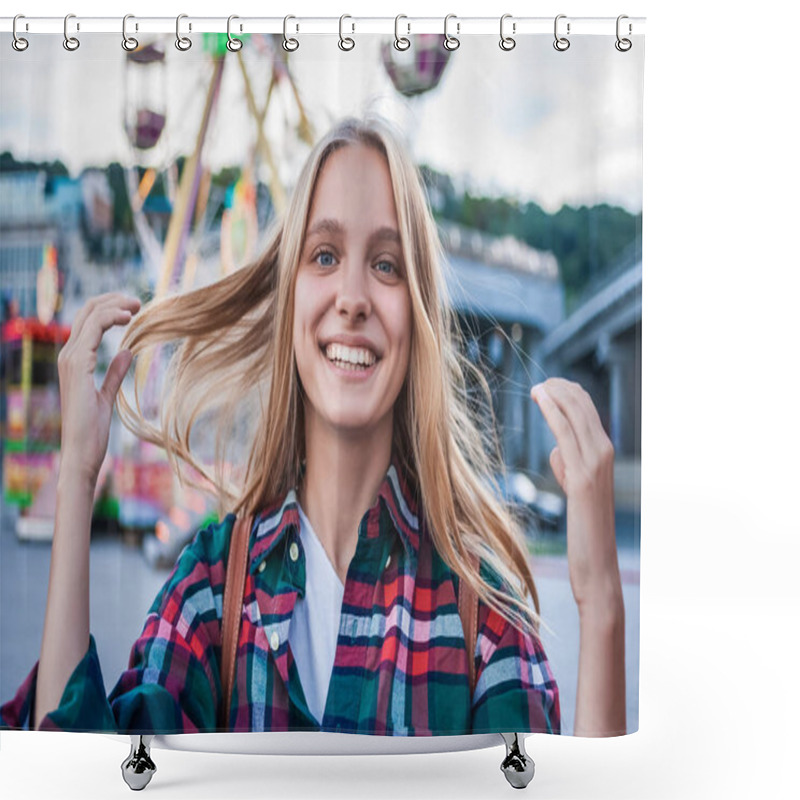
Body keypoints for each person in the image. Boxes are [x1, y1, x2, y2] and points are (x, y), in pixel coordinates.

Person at [0, 115, 624, 736]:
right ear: (289, 296)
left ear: (420, 318)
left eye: (387, 265)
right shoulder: (212, 590)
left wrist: (601, 606)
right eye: (324, 256)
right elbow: (74, 771)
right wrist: (77, 478)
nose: (352, 296)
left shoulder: (481, 613)